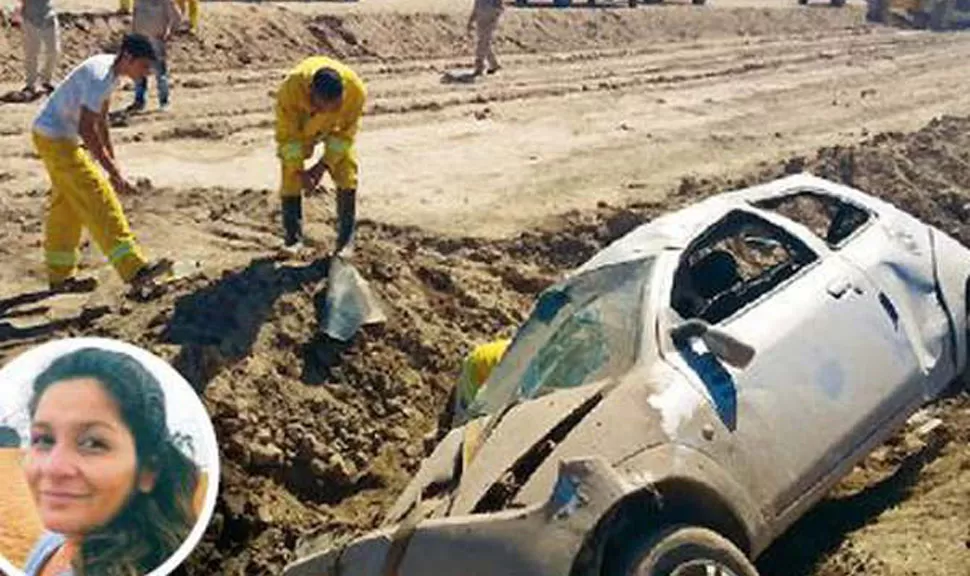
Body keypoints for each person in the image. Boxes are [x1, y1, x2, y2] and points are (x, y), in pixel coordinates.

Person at [20, 347, 200, 576]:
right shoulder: (52, 542)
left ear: (148, 471)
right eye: (44, 439)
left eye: (93, 443)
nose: (53, 468)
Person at [32, 33, 173, 293]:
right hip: (57, 140)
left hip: (50, 136)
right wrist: (112, 175)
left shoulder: (109, 72)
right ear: (128, 57)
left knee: (68, 207)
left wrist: (114, 167)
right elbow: (87, 129)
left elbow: (101, 121)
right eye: (144, 66)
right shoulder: (100, 77)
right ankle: (134, 270)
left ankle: (60, 277)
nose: (146, 74)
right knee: (99, 198)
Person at [275, 56, 365, 256]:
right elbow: (288, 139)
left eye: (334, 106)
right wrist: (300, 172)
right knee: (289, 170)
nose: (329, 110)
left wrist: (322, 166)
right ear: (311, 94)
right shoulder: (290, 91)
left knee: (346, 168)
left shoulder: (356, 92)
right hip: (302, 127)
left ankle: (345, 242)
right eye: (324, 106)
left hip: (335, 128)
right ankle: (292, 240)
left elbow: (344, 136)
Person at [128, 0, 182, 112]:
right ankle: (139, 101)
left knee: (160, 73)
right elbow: (135, 15)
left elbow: (177, 16)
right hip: (140, 40)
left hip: (156, 40)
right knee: (139, 72)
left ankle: (164, 102)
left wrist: (169, 32)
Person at [18, 0, 60, 97]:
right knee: (32, 52)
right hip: (30, 17)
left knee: (53, 51)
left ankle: (46, 81)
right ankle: (30, 85)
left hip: (49, 16)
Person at [466, 0, 504, 76]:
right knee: (484, 43)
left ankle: (479, 66)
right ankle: (494, 64)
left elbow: (499, 7)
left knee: (482, 43)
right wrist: (471, 20)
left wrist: (494, 17)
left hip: (489, 21)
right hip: (480, 21)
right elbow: (476, 8)